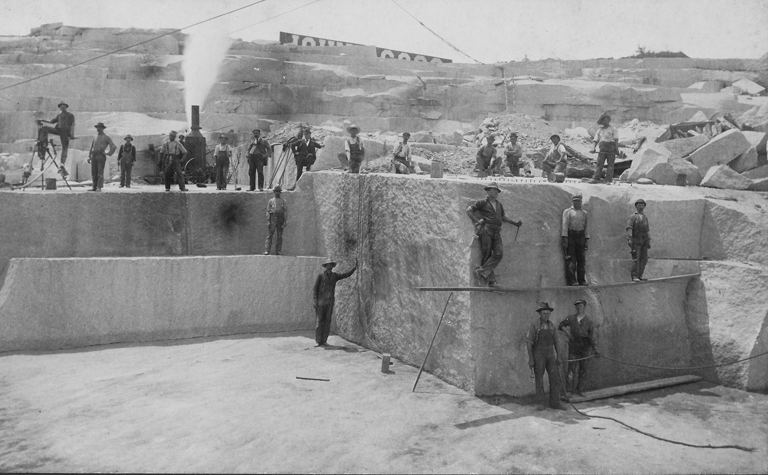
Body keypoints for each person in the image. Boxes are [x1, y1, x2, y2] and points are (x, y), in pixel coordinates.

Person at [465, 182, 522, 287]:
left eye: (497, 191)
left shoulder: (499, 205)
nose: (496, 192)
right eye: (494, 190)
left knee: (499, 253)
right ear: (488, 191)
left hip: (497, 231)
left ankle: (481, 272)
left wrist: (515, 223)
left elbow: (503, 217)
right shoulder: (482, 202)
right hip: (486, 229)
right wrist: (477, 221)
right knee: (486, 254)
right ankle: (491, 282)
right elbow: (469, 210)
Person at [526, 302, 565, 410]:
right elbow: (529, 342)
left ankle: (555, 403)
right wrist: (531, 359)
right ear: (540, 314)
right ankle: (540, 403)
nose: (546, 316)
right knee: (539, 379)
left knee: (555, 379)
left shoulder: (552, 325)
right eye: (544, 313)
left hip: (551, 355)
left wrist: (559, 356)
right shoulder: (534, 325)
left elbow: (557, 341)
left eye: (548, 314)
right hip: (538, 355)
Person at [558, 299, 599, 398]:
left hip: (585, 348)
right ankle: (569, 391)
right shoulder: (571, 318)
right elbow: (561, 325)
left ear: (584, 307)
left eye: (580, 306)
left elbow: (592, 336)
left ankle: (581, 389)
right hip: (574, 347)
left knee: (583, 369)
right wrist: (567, 332)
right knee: (571, 370)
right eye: (577, 306)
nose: (578, 307)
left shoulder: (589, 321)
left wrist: (596, 350)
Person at [312, 258, 357, 347]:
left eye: (330, 265)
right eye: (328, 265)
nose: (329, 267)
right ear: (325, 266)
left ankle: (324, 340)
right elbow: (315, 289)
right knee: (319, 321)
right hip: (321, 302)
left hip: (330, 302)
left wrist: (354, 268)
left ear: (332, 267)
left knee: (327, 321)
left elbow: (345, 275)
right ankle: (318, 341)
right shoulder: (320, 276)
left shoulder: (335, 276)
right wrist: (315, 300)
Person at [38, 101, 75, 178]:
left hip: (65, 132)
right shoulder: (59, 115)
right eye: (61, 106)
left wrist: (71, 135)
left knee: (65, 147)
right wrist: (42, 120)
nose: (62, 107)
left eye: (64, 106)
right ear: (60, 108)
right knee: (44, 128)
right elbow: (51, 122)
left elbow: (72, 125)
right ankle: (44, 143)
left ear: (66, 107)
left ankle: (62, 163)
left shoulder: (70, 115)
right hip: (58, 130)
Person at [561, 194, 589, 286]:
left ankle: (582, 280)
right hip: (571, 235)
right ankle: (572, 280)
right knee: (571, 259)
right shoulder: (568, 211)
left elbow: (586, 227)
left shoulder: (584, 213)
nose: (577, 203)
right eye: (575, 201)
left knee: (581, 260)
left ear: (581, 202)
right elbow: (565, 225)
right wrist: (565, 238)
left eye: (578, 201)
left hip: (581, 236)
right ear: (572, 202)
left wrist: (586, 239)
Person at [87, 122, 116, 192]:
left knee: (100, 172)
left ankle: (99, 187)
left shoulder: (106, 137)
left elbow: (113, 146)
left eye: (100, 127)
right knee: (94, 172)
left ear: (103, 128)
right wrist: (89, 157)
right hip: (94, 155)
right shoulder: (94, 137)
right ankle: (94, 187)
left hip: (101, 155)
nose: (98, 129)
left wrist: (109, 153)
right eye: (97, 127)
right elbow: (91, 147)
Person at [591, 113, 619, 183]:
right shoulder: (599, 130)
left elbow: (616, 140)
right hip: (602, 148)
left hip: (611, 148)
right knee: (599, 164)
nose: (604, 122)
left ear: (608, 120)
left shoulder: (613, 129)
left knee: (610, 165)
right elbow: (595, 140)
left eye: (606, 120)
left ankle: (608, 180)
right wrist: (593, 148)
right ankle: (596, 178)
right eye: (603, 120)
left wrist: (617, 149)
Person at [626, 198, 651, 281]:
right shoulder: (633, 217)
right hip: (636, 240)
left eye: (642, 205)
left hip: (644, 240)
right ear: (636, 206)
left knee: (644, 259)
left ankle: (640, 275)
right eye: (639, 205)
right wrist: (630, 238)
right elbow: (629, 228)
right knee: (636, 258)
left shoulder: (645, 218)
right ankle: (635, 276)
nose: (641, 207)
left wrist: (649, 240)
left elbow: (647, 230)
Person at [264, 185, 287, 255]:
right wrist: (268, 220)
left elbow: (285, 211)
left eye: (278, 191)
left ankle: (278, 250)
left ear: (280, 192)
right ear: (274, 192)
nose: (277, 193)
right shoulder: (271, 201)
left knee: (279, 235)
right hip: (272, 217)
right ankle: (267, 250)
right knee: (270, 235)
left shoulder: (283, 201)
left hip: (280, 217)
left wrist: (285, 220)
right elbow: (268, 210)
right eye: (276, 191)